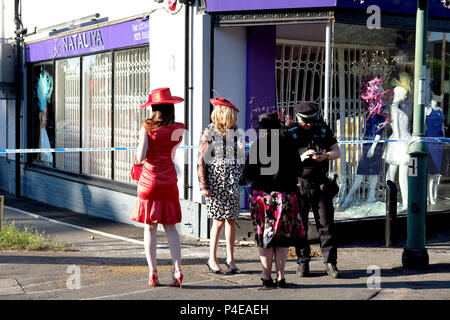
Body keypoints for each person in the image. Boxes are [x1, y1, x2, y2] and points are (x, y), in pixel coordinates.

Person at [241, 112, 305, 289]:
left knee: (264, 237)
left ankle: (266, 278)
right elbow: (299, 171)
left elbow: (248, 175)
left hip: (261, 198)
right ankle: (281, 278)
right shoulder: (290, 145)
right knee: (283, 239)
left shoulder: (257, 147)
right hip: (285, 196)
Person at [130, 87, 185, 288]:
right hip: (169, 180)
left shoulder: (147, 127)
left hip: (149, 182)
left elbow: (140, 157)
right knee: (171, 227)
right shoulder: (179, 128)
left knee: (150, 228)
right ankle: (177, 270)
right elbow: (170, 152)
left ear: (154, 107)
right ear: (170, 108)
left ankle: (153, 272)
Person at [286, 101, 341, 278]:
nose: (308, 124)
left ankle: (330, 263)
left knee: (326, 225)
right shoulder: (290, 132)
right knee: (300, 227)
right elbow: (282, 160)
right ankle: (303, 262)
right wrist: (300, 158)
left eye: (311, 120)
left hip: (321, 185)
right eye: (305, 121)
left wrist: (324, 156)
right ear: (297, 117)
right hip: (299, 185)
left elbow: (337, 151)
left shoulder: (321, 128)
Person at [198, 97, 245, 275]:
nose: (235, 119)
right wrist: (204, 185)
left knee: (232, 220)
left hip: (232, 182)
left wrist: (241, 152)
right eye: (232, 116)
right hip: (216, 183)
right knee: (218, 221)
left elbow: (240, 158)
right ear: (224, 115)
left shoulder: (236, 132)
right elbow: (201, 160)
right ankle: (212, 258)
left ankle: (230, 259)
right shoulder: (209, 132)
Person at [343, 76, 392, 208]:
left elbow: (379, 131)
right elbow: (371, 129)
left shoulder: (379, 112)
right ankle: (366, 196)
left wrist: (373, 147)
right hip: (368, 143)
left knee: (366, 171)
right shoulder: (372, 111)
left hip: (373, 145)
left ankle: (357, 197)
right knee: (366, 171)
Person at [383, 73, 412, 211]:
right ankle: (404, 199)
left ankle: (400, 198)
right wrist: (402, 144)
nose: (406, 97)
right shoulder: (394, 109)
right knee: (399, 171)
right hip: (399, 143)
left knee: (395, 171)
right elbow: (396, 129)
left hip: (404, 141)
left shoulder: (397, 108)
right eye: (405, 94)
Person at [425, 84, 445, 205]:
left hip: (440, 144)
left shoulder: (440, 110)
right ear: (434, 95)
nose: (442, 97)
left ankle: (434, 195)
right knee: (430, 172)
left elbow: (442, 128)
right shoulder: (426, 110)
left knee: (437, 173)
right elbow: (422, 128)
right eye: (440, 94)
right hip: (430, 143)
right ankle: (429, 196)